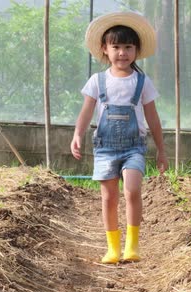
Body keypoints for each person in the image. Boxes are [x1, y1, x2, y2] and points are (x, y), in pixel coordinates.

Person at [70, 12, 168, 264]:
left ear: (136, 50)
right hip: (105, 148)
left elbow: (153, 118)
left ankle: (132, 246)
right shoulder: (97, 81)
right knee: (108, 197)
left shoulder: (142, 82)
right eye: (116, 47)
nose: (122, 53)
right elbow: (87, 111)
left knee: (132, 189)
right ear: (104, 49)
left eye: (128, 47)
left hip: (134, 147)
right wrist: (77, 134)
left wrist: (161, 149)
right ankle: (113, 248)